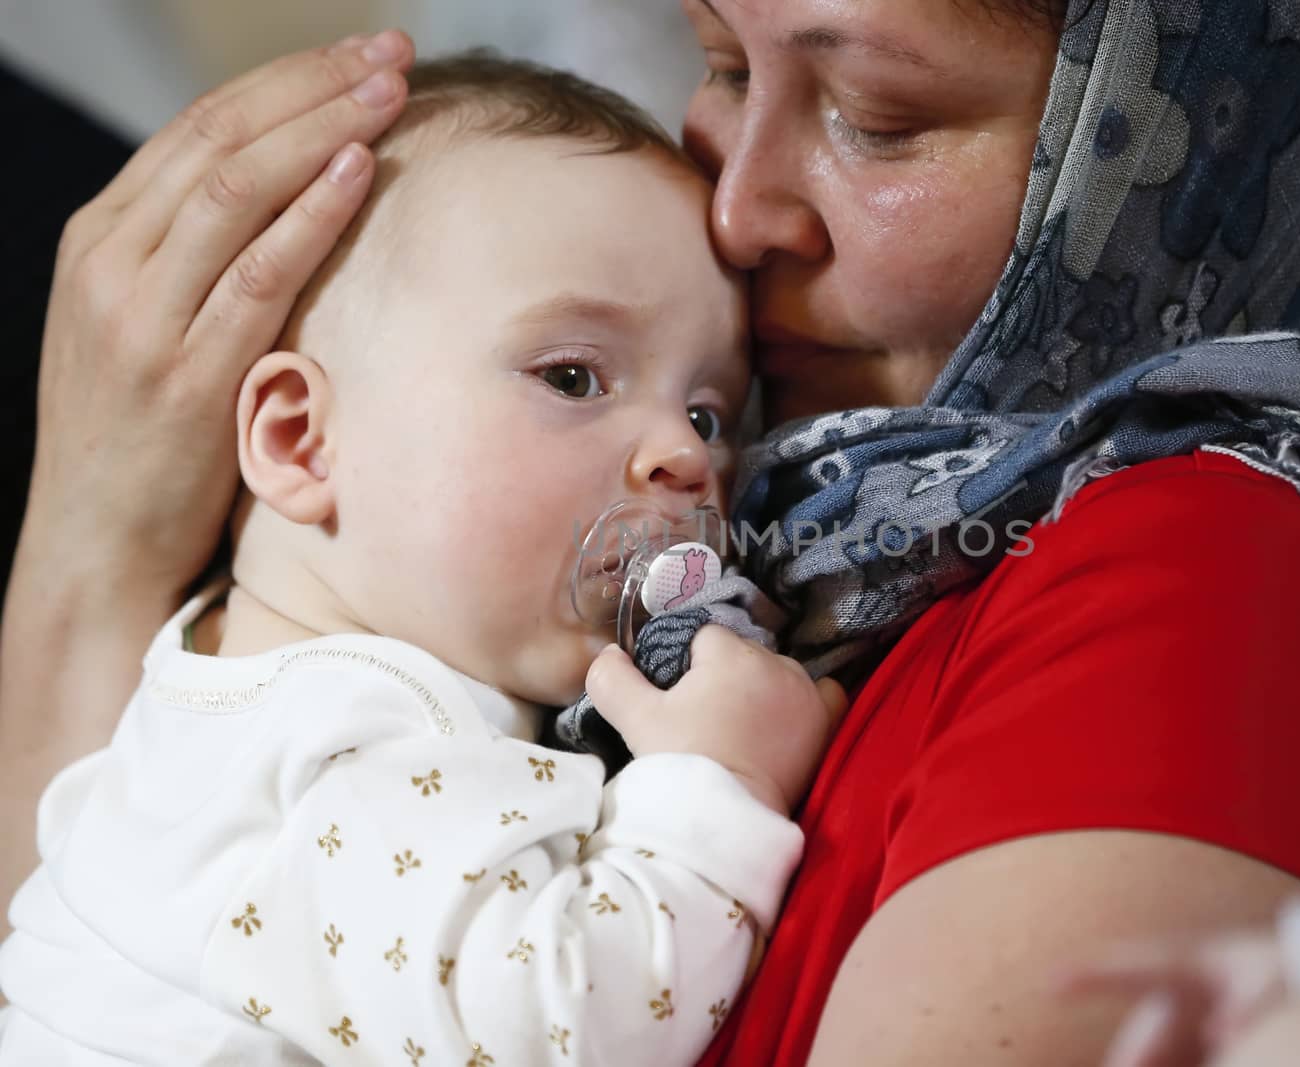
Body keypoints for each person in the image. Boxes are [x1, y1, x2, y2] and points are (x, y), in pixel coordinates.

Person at [0, 0, 1300, 1061]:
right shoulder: (801, 537)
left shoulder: (1209, 555)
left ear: (1180, 159)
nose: (742, 204)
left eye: (875, 116)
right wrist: (91, 557)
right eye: (714, 62)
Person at [0, 56, 842, 1065]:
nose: (687, 455)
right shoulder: (344, 751)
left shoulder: (221, 683)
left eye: (707, 408)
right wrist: (721, 779)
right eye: (572, 375)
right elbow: (564, 1023)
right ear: (300, 438)